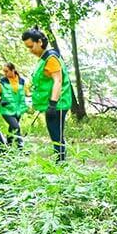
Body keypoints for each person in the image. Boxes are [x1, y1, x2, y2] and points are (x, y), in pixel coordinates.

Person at [22, 27, 73, 161]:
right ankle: (60, 161)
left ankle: (61, 163)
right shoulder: (43, 59)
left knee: (57, 135)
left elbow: (58, 81)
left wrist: (52, 104)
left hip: (58, 104)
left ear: (39, 42)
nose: (30, 50)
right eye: (28, 47)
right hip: (51, 104)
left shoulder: (51, 58)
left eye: (31, 46)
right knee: (55, 134)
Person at [0, 62, 30, 147]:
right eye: (4, 71)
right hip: (6, 109)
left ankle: (8, 146)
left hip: (18, 110)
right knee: (16, 127)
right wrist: (0, 100)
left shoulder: (22, 81)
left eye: (6, 71)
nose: (5, 73)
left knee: (12, 128)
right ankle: (21, 148)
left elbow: (27, 94)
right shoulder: (2, 81)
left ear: (13, 70)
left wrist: (41, 94)